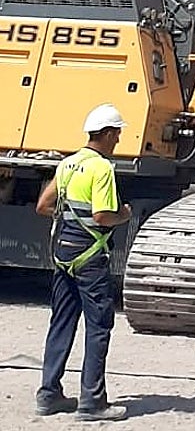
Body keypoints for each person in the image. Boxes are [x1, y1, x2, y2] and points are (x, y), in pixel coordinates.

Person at [33, 103, 132, 422]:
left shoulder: (68, 164)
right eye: (116, 133)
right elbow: (102, 215)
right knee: (98, 326)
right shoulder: (102, 169)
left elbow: (43, 205)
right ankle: (92, 402)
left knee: (61, 322)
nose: (118, 139)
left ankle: (48, 394)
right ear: (106, 134)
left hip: (63, 254)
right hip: (90, 259)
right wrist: (125, 216)